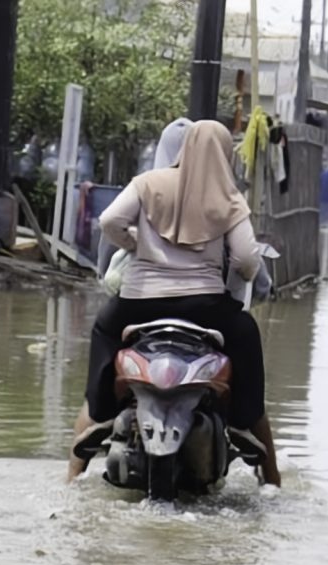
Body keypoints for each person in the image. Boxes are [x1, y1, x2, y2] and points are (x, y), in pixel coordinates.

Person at [67, 120, 281, 487]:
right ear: (226, 154)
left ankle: (91, 436)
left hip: (138, 303)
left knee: (104, 329)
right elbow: (247, 260)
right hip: (205, 306)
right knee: (245, 333)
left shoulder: (147, 183)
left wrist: (137, 246)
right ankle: (249, 431)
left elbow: (109, 221)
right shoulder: (229, 196)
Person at [98, 119, 192, 277]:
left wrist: (136, 242)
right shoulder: (210, 193)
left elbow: (109, 222)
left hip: (143, 286)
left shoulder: (145, 185)